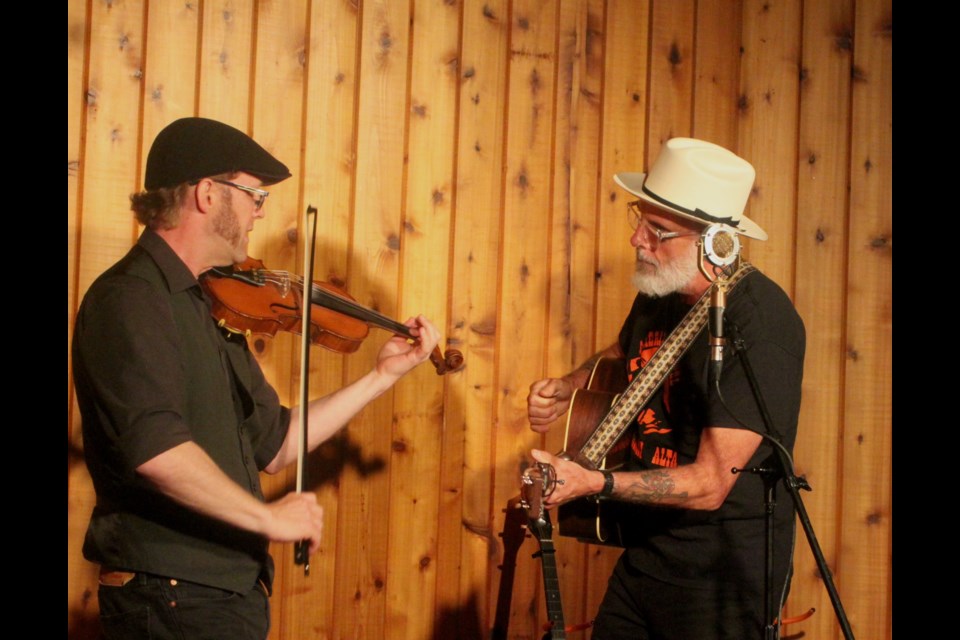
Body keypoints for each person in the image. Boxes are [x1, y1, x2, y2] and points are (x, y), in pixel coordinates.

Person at [72, 117, 441, 639]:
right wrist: (268, 519)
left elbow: (277, 444)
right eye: (254, 197)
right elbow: (155, 451)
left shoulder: (210, 306)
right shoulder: (130, 298)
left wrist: (381, 377)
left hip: (220, 594)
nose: (257, 215)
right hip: (170, 594)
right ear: (206, 194)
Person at [526, 138, 805, 639]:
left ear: (717, 242)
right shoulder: (660, 290)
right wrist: (570, 387)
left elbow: (711, 483)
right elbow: (624, 349)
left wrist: (596, 483)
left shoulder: (759, 324)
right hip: (647, 550)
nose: (637, 239)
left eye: (658, 231)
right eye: (640, 218)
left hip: (719, 575)